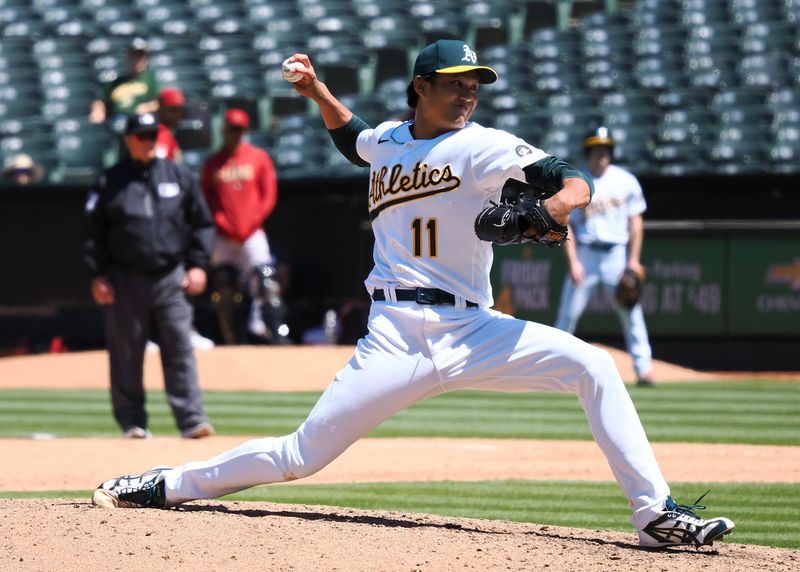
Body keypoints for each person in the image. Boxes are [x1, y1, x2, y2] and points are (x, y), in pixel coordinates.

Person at [91, 41, 733, 549]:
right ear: (420, 87)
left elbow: (566, 177)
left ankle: (654, 516)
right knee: (299, 457)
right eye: (454, 82)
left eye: (474, 84)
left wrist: (552, 207)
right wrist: (315, 88)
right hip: (395, 333)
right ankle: (165, 484)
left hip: (475, 332)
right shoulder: (389, 142)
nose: (468, 93)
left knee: (593, 365)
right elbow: (353, 137)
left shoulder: (482, 145)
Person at [83, 112, 216, 440]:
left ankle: (192, 420)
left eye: (152, 135)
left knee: (179, 348)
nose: (148, 141)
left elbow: (202, 223)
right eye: (141, 136)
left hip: (170, 275)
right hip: (124, 277)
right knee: (126, 352)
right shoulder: (110, 181)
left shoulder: (177, 174)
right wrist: (98, 274)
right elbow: (92, 233)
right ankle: (132, 422)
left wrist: (198, 264)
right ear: (128, 140)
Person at [554, 126, 655, 387]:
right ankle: (552, 369)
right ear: (588, 152)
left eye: (605, 149)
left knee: (631, 314)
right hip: (586, 253)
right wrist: (573, 260)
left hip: (616, 256)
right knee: (568, 315)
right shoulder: (578, 182)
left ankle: (643, 370)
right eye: (596, 149)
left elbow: (636, 223)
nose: (601, 154)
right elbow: (567, 225)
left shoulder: (625, 181)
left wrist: (633, 260)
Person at [200, 108, 289, 345]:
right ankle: (231, 340)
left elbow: (268, 196)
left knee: (266, 282)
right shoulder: (213, 163)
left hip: (252, 233)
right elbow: (206, 200)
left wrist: (251, 223)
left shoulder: (258, 157)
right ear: (223, 130)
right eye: (231, 129)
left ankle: (269, 333)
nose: (235, 134)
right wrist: (223, 222)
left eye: (239, 129)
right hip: (223, 235)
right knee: (224, 287)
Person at [89, 37, 160, 135]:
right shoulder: (116, 82)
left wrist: (148, 107)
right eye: (134, 55)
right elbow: (101, 101)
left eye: (140, 56)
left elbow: (161, 103)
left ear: (146, 58)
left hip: (140, 125)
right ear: (127, 56)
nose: (137, 60)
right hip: (115, 122)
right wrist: (98, 109)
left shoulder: (151, 80)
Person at [156, 87, 185, 163]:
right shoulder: (160, 134)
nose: (177, 114)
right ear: (160, 108)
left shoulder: (168, 133)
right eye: (173, 109)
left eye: (180, 109)